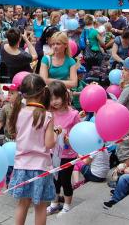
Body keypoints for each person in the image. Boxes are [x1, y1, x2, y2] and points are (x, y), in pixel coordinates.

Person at [8, 74, 56, 225]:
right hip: (41, 167)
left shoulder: (18, 112)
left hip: (22, 165)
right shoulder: (47, 115)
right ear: (43, 93)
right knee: (41, 207)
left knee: (23, 204)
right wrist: (55, 134)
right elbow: (49, 144)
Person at [46, 81, 80, 216]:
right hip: (53, 153)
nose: (54, 102)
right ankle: (54, 203)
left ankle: (66, 205)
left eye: (57, 98)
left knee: (65, 180)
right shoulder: (49, 113)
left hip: (68, 154)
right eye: (51, 99)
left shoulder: (74, 114)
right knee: (54, 180)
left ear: (64, 96)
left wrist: (69, 139)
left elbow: (79, 134)